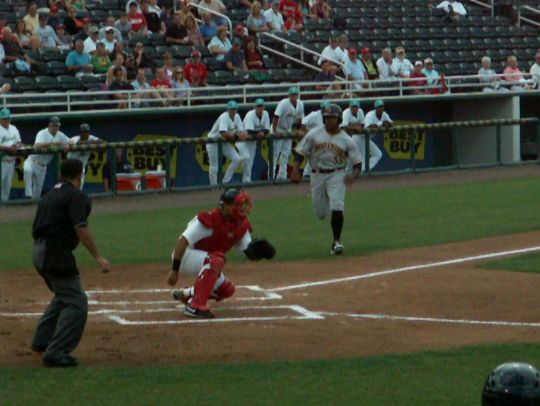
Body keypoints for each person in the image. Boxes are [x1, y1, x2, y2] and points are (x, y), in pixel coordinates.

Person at [31, 158, 111, 367]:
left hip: (39, 250)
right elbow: (80, 226)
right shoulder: (75, 195)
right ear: (79, 176)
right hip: (54, 251)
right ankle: (56, 352)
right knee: (77, 302)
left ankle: (42, 341)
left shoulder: (50, 193)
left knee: (64, 295)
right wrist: (98, 256)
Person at [167, 188, 275, 318]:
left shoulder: (241, 225)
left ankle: (186, 294)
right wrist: (174, 270)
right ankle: (195, 306)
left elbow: (248, 251)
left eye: (243, 205)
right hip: (186, 256)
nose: (242, 208)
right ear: (226, 205)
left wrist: (258, 252)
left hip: (208, 262)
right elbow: (183, 241)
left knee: (226, 290)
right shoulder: (210, 219)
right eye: (238, 204)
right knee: (217, 260)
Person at [291, 104, 362, 255]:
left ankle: (337, 241)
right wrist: (295, 169)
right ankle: (330, 199)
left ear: (339, 120)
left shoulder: (346, 140)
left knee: (337, 205)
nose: (329, 120)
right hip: (316, 174)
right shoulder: (313, 134)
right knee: (321, 213)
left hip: (337, 174)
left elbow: (358, 163)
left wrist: (353, 177)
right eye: (327, 117)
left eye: (332, 118)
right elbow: (300, 153)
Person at [24, 117, 71, 200]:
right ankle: (28, 194)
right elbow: (37, 145)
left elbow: (71, 141)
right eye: (53, 125)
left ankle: (32, 207)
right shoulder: (42, 133)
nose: (55, 128)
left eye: (57, 126)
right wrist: (54, 143)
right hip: (32, 161)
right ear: (49, 125)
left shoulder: (60, 135)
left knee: (37, 192)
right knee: (27, 170)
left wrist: (67, 144)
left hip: (42, 166)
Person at [206, 100, 248, 186]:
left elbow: (243, 133)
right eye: (231, 109)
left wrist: (239, 135)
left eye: (235, 109)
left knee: (237, 159)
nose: (233, 111)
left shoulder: (237, 116)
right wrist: (236, 136)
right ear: (228, 110)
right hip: (213, 141)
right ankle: (213, 187)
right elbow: (223, 133)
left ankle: (225, 182)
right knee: (214, 167)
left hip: (223, 142)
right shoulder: (224, 117)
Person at [272, 86, 304, 180]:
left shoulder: (300, 104)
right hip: (278, 128)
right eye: (292, 95)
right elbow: (275, 116)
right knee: (275, 154)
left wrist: (301, 130)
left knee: (286, 153)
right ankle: (271, 176)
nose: (293, 97)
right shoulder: (283, 103)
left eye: (295, 95)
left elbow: (301, 119)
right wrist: (274, 131)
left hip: (288, 129)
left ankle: (282, 176)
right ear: (289, 96)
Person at [342, 100, 382, 173]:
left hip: (362, 137)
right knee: (355, 159)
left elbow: (362, 125)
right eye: (353, 106)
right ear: (349, 107)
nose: (354, 108)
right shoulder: (346, 113)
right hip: (351, 138)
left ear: (358, 107)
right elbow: (344, 126)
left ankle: (362, 170)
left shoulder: (360, 111)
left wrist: (354, 126)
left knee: (377, 154)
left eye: (356, 106)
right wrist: (355, 127)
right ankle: (346, 174)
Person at [239, 98, 270, 182]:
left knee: (250, 161)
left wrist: (263, 133)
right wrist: (259, 133)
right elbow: (249, 130)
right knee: (245, 158)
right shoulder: (250, 114)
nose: (260, 108)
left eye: (261, 106)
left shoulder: (266, 114)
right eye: (258, 107)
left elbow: (267, 129)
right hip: (242, 141)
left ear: (263, 107)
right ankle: (229, 181)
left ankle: (246, 180)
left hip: (252, 141)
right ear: (255, 107)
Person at [67, 124, 103, 189]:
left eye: (86, 132)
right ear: (80, 133)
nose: (84, 134)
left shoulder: (91, 138)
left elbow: (102, 142)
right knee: (69, 186)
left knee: (79, 187)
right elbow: (78, 143)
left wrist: (92, 142)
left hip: (81, 167)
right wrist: (90, 143)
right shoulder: (74, 138)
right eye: (83, 132)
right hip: (70, 166)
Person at [0, 108, 22, 202]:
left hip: (11, 161)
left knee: (7, 186)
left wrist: (16, 146)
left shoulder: (14, 128)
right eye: (4, 118)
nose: (6, 120)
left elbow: (19, 142)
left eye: (8, 118)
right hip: (1, 161)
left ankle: (4, 207)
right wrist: (8, 148)